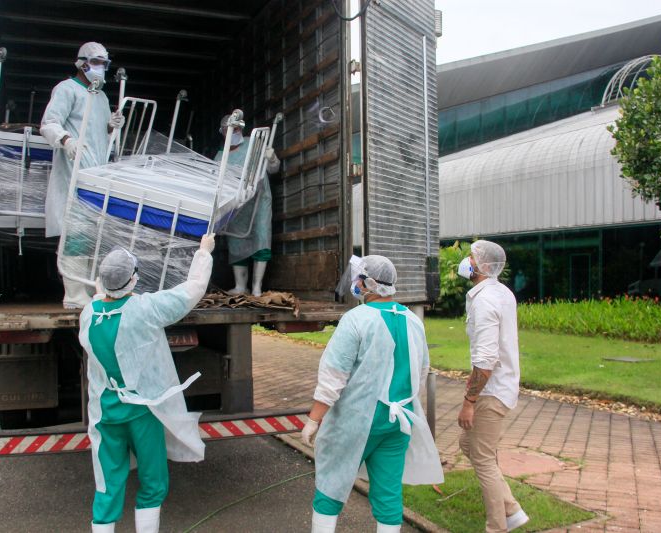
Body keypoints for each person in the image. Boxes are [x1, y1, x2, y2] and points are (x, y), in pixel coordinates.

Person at [78, 233, 215, 533]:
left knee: (107, 485)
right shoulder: (145, 309)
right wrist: (204, 252)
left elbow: (102, 298)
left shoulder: (88, 315)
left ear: (102, 282)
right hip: (142, 413)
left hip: (104, 416)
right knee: (153, 483)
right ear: (133, 280)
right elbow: (192, 291)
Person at [301, 255, 443, 533]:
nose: (355, 284)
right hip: (398, 422)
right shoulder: (413, 320)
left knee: (331, 486)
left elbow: (334, 374)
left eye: (358, 279)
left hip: (356, 421)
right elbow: (422, 370)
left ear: (368, 283)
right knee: (388, 494)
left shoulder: (356, 319)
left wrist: (314, 419)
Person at [40, 42, 125, 309]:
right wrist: (66, 140)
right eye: (97, 62)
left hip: (96, 175)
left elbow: (98, 137)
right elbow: (48, 123)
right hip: (73, 172)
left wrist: (110, 128)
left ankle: (87, 291)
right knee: (75, 234)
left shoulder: (99, 97)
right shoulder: (66, 89)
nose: (101, 68)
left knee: (91, 237)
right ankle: (73, 294)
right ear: (82, 63)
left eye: (104, 64)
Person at [456, 240, 528, 532]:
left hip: (491, 390)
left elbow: (486, 359)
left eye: (471, 256)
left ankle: (497, 525)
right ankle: (510, 508)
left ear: (481, 265)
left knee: (483, 458)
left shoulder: (485, 301)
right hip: (503, 385)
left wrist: (468, 402)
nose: (466, 261)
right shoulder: (501, 293)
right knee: (467, 443)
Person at [214, 114, 280, 296]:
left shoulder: (255, 143)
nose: (235, 132)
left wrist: (272, 158)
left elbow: (274, 169)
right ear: (223, 132)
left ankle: (257, 287)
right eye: (230, 129)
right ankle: (241, 286)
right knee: (236, 241)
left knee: (261, 237)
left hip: (259, 199)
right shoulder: (220, 157)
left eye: (237, 129)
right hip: (236, 205)